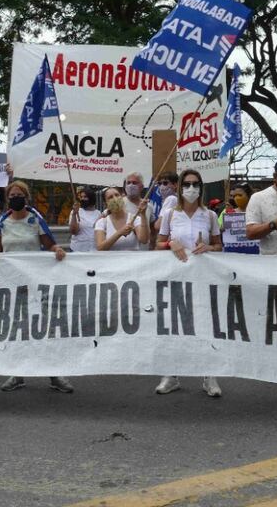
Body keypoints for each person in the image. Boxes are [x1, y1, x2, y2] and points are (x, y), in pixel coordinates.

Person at [0, 180, 72, 393]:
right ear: (8, 199)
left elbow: (49, 243)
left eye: (19, 195)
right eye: (12, 195)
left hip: (36, 282)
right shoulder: (2, 221)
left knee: (44, 326)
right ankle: (17, 373)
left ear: (26, 197)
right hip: (13, 283)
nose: (16, 197)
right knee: (17, 328)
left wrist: (57, 249)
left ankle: (54, 374)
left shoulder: (35, 219)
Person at [154, 169, 223, 397]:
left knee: (206, 325)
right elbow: (158, 243)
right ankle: (171, 375)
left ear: (201, 188)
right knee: (174, 325)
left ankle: (209, 375)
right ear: (180, 187)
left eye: (196, 184)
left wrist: (209, 248)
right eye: (187, 184)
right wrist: (170, 244)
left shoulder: (210, 215)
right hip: (176, 277)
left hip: (203, 278)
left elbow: (218, 245)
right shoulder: (171, 215)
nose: (191, 188)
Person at [95, 187, 147, 251]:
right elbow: (100, 248)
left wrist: (143, 214)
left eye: (117, 195)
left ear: (122, 197)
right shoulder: (102, 223)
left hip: (133, 260)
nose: (115, 198)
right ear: (106, 203)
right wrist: (119, 233)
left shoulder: (134, 219)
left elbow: (144, 240)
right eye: (110, 197)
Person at [69, 186, 101, 252]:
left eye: (85, 197)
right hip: (77, 250)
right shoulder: (76, 211)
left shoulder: (98, 213)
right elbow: (73, 231)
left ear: (91, 198)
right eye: (81, 197)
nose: (82, 199)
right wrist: (74, 214)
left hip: (94, 251)